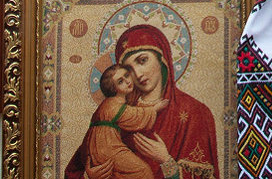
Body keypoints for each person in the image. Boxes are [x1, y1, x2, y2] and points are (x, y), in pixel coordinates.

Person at [65, 24, 219, 179]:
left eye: (142, 60)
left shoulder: (195, 112)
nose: (137, 74)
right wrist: (89, 176)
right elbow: (74, 170)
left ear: (162, 59)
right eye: (129, 70)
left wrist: (166, 161)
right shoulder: (118, 113)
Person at [81, 64, 170, 179]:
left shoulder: (113, 103)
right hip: (109, 148)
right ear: (113, 88)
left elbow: (133, 110)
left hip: (103, 149)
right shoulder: (113, 104)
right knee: (142, 171)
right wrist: (155, 109)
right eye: (120, 82)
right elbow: (133, 116)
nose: (128, 81)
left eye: (127, 76)